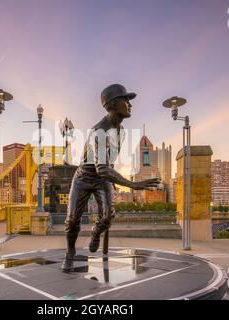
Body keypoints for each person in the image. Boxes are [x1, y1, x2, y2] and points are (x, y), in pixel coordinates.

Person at [62, 84, 160, 272]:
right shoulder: (99, 131)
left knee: (107, 218)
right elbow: (102, 168)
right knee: (72, 219)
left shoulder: (121, 131)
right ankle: (70, 253)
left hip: (103, 178)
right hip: (84, 177)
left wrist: (113, 184)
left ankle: (96, 233)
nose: (130, 104)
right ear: (114, 105)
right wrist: (132, 184)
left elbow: (109, 162)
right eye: (126, 100)